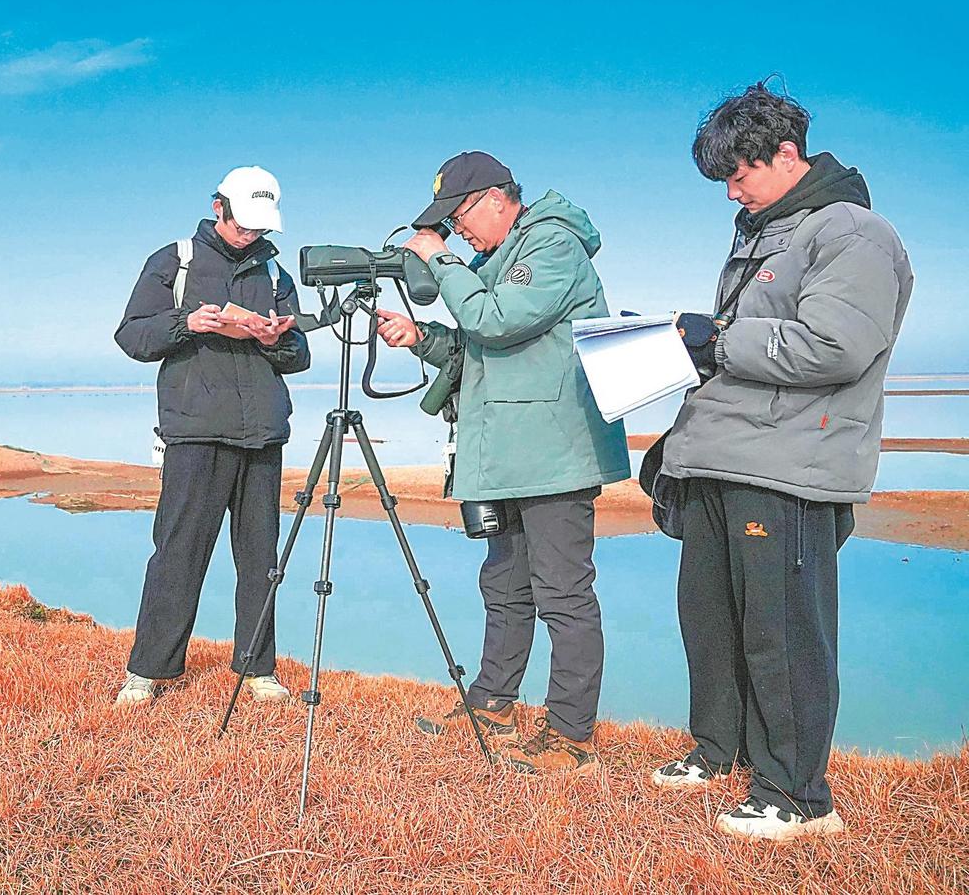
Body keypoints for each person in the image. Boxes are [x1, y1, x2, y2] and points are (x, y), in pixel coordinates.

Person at [653, 82, 913, 841]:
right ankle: (718, 750)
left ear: (787, 153)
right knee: (711, 619)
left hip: (790, 465)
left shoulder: (853, 232)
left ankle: (798, 797)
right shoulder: (763, 231)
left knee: (783, 632)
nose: (730, 190)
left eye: (739, 172)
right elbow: (747, 346)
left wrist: (717, 340)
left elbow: (835, 346)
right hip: (724, 457)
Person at [375, 151, 629, 774]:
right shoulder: (497, 260)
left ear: (495, 198)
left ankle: (571, 735)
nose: (454, 231)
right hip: (508, 453)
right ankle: (494, 702)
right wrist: (422, 338)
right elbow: (482, 348)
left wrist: (441, 261)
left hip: (554, 451)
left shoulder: (552, 247)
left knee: (563, 592)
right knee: (505, 584)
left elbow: (498, 320)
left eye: (457, 217)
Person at [112, 166, 311, 706]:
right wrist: (186, 323)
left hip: (264, 434)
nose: (252, 235)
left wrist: (274, 337)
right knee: (178, 553)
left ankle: (257, 669)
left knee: (260, 558)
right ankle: (149, 670)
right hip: (196, 433)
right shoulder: (174, 260)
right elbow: (131, 335)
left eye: (260, 227)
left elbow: (300, 355)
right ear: (218, 206)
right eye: (244, 224)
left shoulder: (274, 274)